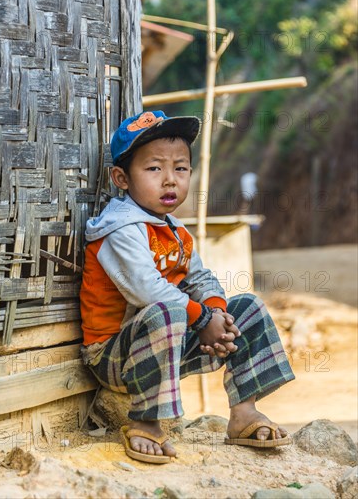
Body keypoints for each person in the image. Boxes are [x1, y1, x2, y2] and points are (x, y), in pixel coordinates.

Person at [80, 110, 295, 464]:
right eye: (154, 169)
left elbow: (200, 278)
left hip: (170, 344)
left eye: (180, 168)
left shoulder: (175, 230)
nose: (169, 180)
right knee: (165, 309)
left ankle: (243, 411)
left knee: (248, 307)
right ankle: (146, 421)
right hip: (113, 356)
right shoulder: (119, 228)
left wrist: (218, 313)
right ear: (121, 177)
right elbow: (146, 291)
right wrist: (201, 319)